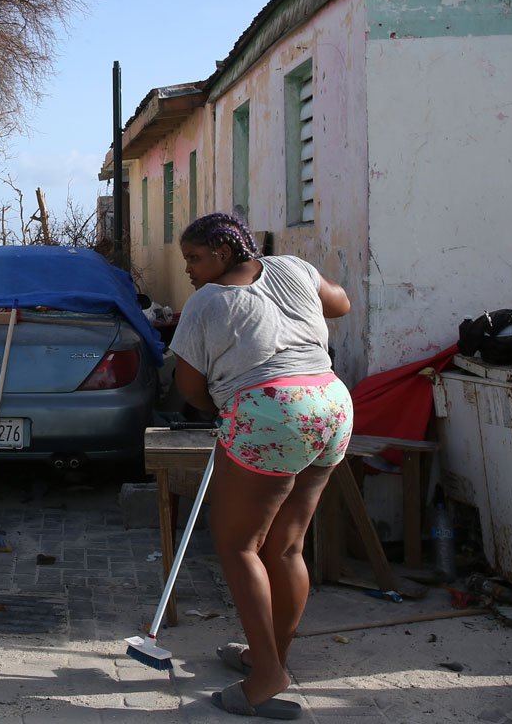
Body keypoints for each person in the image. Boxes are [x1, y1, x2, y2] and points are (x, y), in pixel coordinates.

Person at [168, 211, 352, 720]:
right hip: (331, 404)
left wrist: (233, 411)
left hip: (271, 411)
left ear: (224, 252)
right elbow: (340, 302)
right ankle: (267, 656)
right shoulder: (294, 267)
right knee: (287, 545)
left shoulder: (206, 302)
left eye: (195, 258)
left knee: (237, 545)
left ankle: (268, 675)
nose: (189, 270)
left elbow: (189, 389)